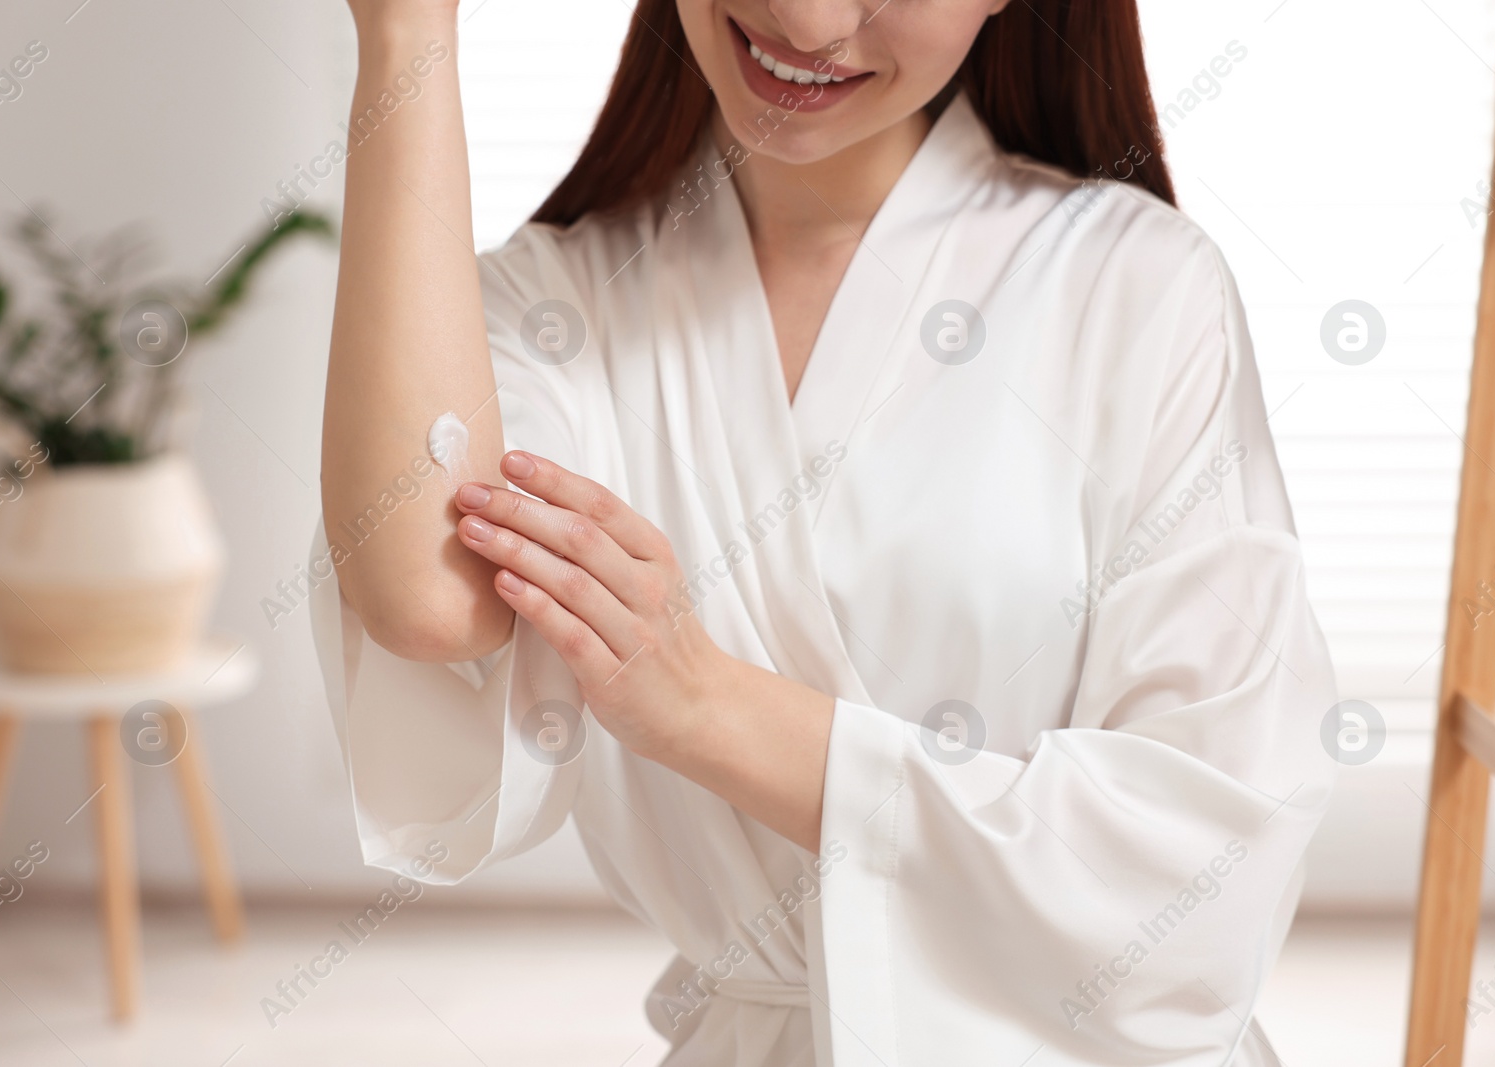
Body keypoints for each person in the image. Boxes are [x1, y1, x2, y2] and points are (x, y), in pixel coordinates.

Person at [314, 0, 1335, 1063]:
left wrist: (704, 704)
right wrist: (406, 34)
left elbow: (1201, 853)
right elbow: (425, 597)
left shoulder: (1139, 286)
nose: (807, 22)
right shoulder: (563, 304)